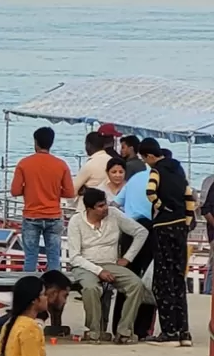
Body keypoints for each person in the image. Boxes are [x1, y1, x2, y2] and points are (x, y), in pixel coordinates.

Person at [65, 187, 146, 342]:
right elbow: (75, 257)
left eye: (105, 204)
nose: (105, 209)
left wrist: (128, 258)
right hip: (85, 264)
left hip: (111, 263)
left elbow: (141, 232)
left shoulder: (114, 215)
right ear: (89, 209)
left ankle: (124, 331)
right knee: (91, 288)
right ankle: (94, 331)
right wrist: (98, 270)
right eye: (100, 206)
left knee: (136, 285)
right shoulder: (76, 221)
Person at [139, 137, 195, 344]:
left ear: (150, 156)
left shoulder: (156, 171)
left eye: (145, 159)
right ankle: (184, 331)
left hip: (163, 227)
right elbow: (190, 197)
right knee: (178, 278)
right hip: (181, 226)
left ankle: (169, 330)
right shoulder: (179, 171)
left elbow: (150, 192)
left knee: (162, 281)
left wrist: (162, 207)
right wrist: (187, 221)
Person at [11, 126, 73, 273]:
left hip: (32, 216)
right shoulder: (61, 165)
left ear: (36, 142)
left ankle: (30, 289)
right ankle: (54, 290)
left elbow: (15, 191)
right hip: (53, 215)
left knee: (30, 257)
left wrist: (29, 189)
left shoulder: (24, 164)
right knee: (53, 258)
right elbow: (70, 192)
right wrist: (55, 191)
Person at [74, 131, 114, 203]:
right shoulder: (111, 160)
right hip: (108, 202)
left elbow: (73, 190)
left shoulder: (90, 164)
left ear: (88, 145)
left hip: (88, 206)